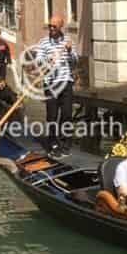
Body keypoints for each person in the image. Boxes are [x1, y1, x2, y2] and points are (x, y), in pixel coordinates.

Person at [28, 14, 78, 157]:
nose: (51, 28)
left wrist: (69, 51)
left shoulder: (68, 42)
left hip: (66, 81)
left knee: (67, 114)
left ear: (60, 26)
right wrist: (47, 60)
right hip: (50, 84)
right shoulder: (43, 42)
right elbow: (38, 60)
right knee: (52, 116)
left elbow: (74, 61)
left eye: (54, 26)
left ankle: (64, 142)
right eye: (49, 25)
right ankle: (52, 143)